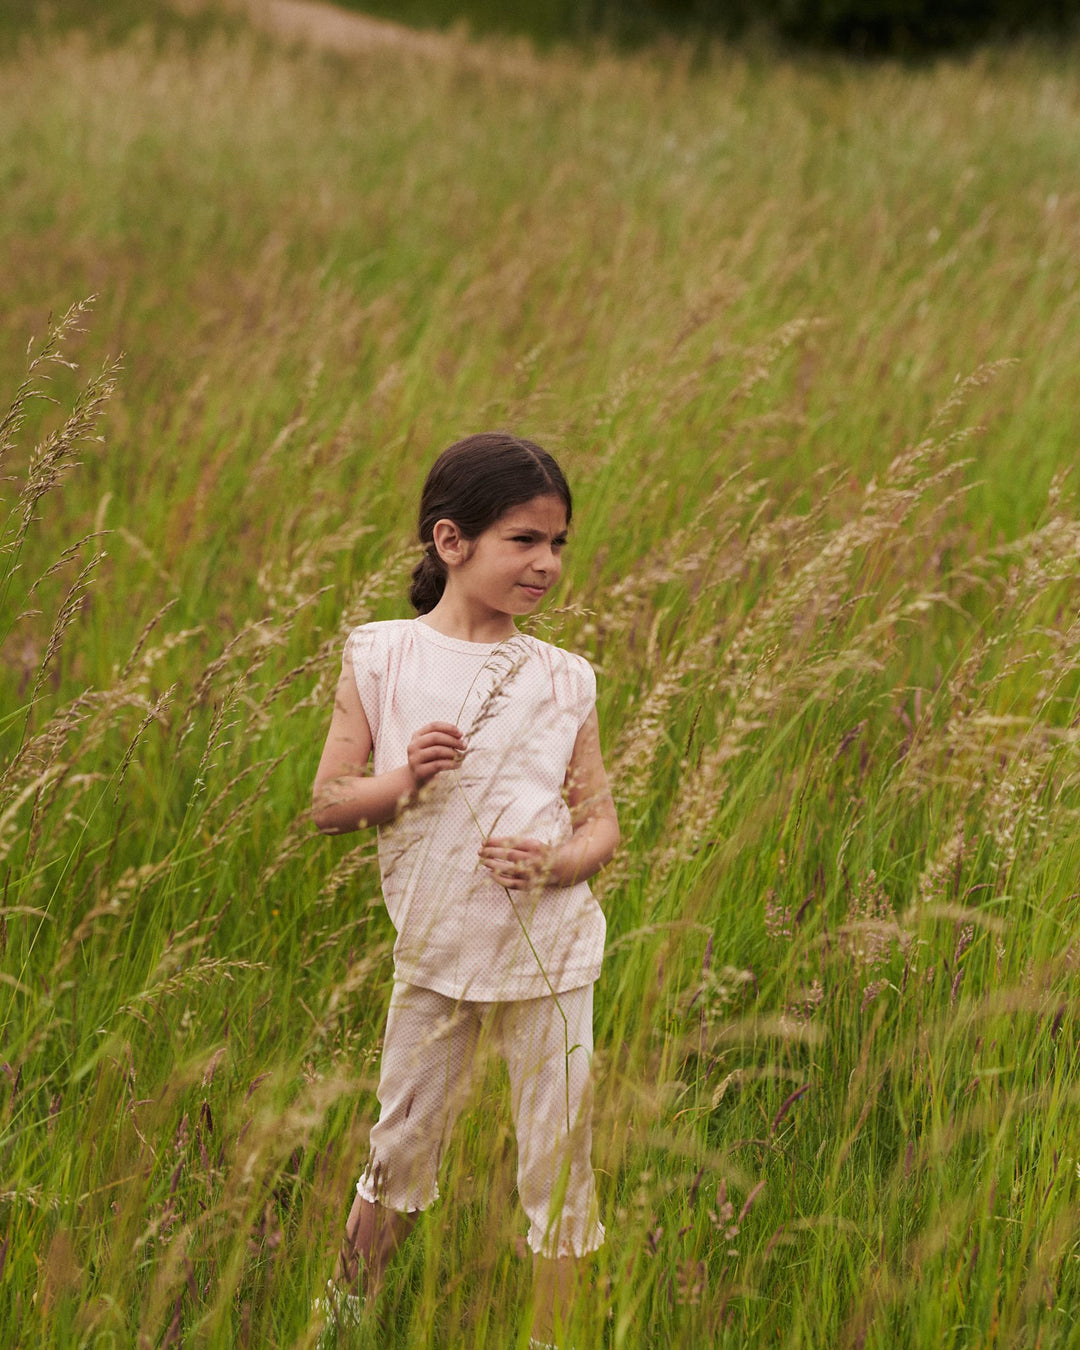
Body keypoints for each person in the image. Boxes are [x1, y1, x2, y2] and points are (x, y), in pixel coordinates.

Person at [311, 432, 620, 1347]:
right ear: (452, 542)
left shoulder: (565, 677)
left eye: (559, 543)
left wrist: (559, 864)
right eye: (524, 540)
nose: (548, 563)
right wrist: (402, 778)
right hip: (438, 953)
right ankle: (343, 1321)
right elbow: (330, 803)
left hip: (552, 956)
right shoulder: (382, 656)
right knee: (398, 1147)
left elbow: (601, 823)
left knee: (559, 1169)